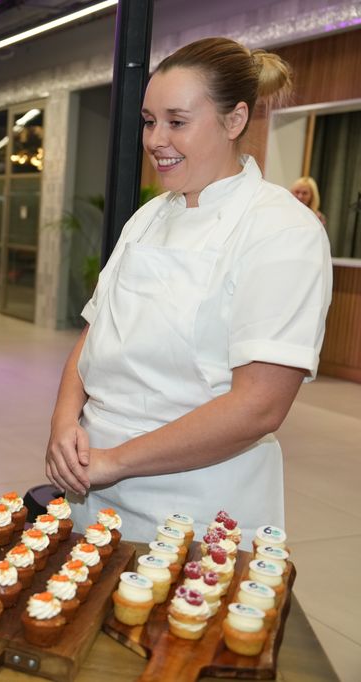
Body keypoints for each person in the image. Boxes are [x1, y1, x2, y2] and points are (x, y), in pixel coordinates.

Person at [44, 37, 332, 545]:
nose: (156, 139)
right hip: (94, 489)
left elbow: (258, 406)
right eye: (150, 120)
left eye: (177, 122)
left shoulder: (282, 229)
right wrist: (65, 422)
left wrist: (116, 460)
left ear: (235, 120)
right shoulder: (149, 217)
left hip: (197, 508)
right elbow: (96, 335)